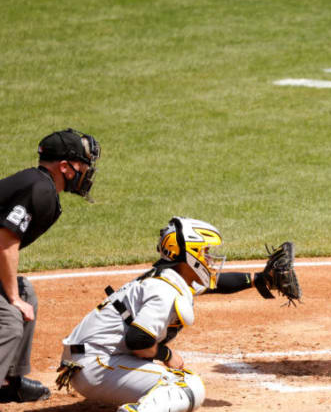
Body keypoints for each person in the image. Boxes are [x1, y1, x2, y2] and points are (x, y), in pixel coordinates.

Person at [57, 217, 299, 412]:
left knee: (180, 383)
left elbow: (217, 283)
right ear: (190, 256)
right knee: (187, 386)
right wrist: (167, 354)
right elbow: (137, 341)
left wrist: (259, 279)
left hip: (91, 360)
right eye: (204, 252)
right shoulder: (163, 290)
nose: (209, 258)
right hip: (96, 365)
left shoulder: (171, 276)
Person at [0, 128, 100, 403]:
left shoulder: (39, 184)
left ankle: (8, 381)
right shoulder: (39, 189)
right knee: (10, 319)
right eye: (83, 165)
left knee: (26, 292)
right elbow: (5, 243)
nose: (86, 171)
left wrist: (16, 295)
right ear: (65, 167)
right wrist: (11, 298)